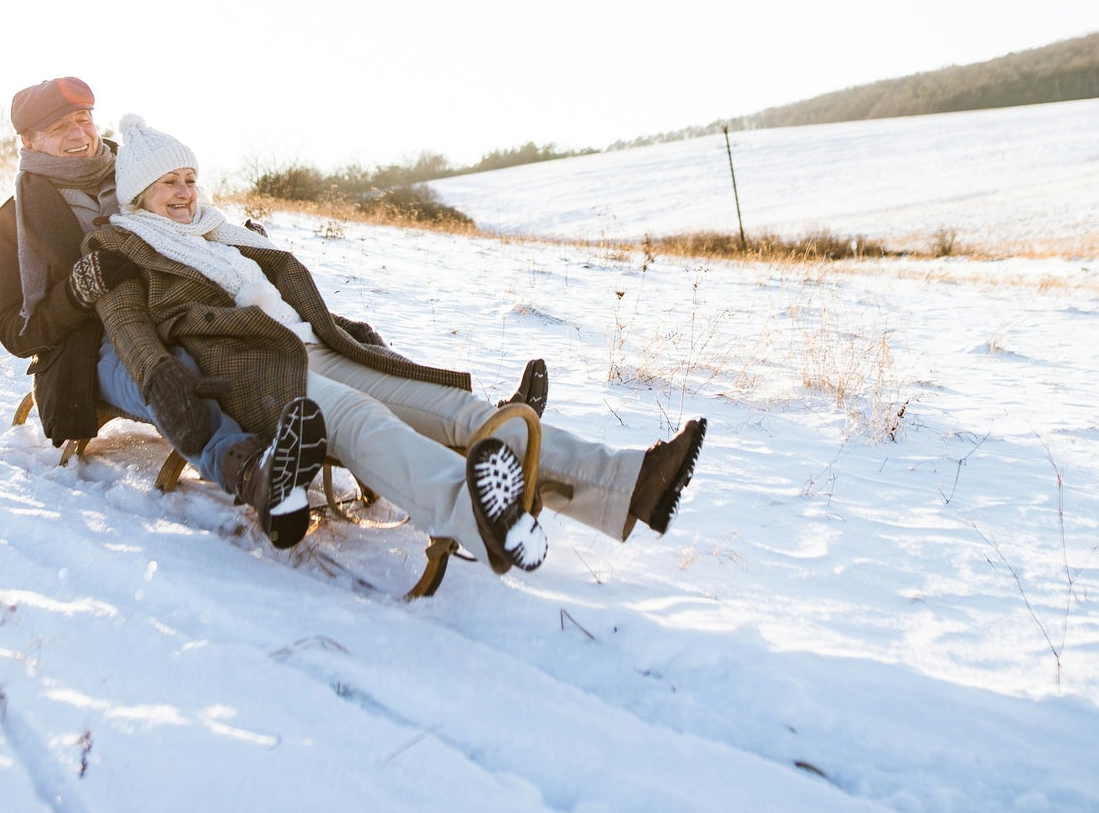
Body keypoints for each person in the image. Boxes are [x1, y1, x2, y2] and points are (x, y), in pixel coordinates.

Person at [74, 113, 707, 576]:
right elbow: (131, 335)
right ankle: (480, 516)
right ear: (138, 196)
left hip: (319, 346)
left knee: (455, 410)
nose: (185, 193)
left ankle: (628, 483)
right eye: (169, 184)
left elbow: (292, 298)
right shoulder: (122, 248)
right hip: (255, 372)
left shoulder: (222, 231)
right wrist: (169, 393)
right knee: (361, 421)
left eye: (190, 178)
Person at [0, 78, 284, 522]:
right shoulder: (9, 223)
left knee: (273, 333)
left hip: (180, 306)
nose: (78, 135)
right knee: (171, 374)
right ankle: (246, 470)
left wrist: (232, 244)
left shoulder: (138, 175)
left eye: (82, 119)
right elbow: (15, 332)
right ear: (28, 141)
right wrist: (77, 291)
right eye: (58, 127)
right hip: (92, 347)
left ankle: (341, 426)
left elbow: (189, 222)